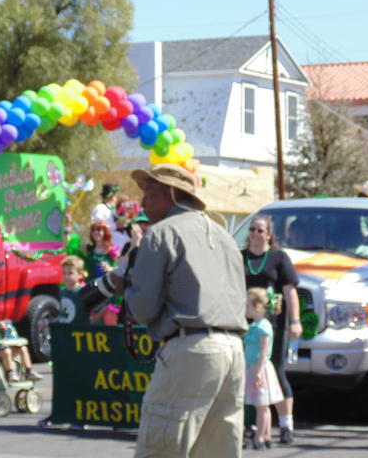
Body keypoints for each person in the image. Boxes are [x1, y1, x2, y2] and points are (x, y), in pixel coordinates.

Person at [115, 163, 248, 457]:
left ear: (173, 194)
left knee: (161, 447)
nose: (143, 201)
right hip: (234, 350)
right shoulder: (224, 236)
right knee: (218, 449)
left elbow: (144, 309)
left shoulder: (161, 233)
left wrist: (125, 286)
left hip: (192, 348)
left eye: (150, 192)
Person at [242, 214, 302, 445]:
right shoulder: (241, 257)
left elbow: (290, 291)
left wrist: (295, 320)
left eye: (260, 230)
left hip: (271, 325)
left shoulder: (278, 257)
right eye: (252, 230)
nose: (256, 234)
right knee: (248, 371)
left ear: (269, 234)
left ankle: (286, 425)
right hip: (246, 325)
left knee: (275, 370)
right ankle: (254, 424)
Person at [244, 288, 284, 449]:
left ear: (258, 306)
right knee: (261, 405)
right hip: (253, 367)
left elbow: (264, 351)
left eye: (247, 305)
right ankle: (265, 435)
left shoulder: (263, 327)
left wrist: (258, 372)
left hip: (259, 368)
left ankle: (260, 437)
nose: (245, 308)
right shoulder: (255, 325)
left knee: (262, 406)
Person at [0, 295, 42, 381]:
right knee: (7, 351)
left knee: (22, 348)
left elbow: (3, 339)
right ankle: (10, 373)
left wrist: (4, 330)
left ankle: (28, 371)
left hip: (2, 347)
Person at [58, 256, 88, 324]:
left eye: (70, 273)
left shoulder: (84, 292)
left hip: (79, 331)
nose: (66, 276)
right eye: (64, 273)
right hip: (63, 331)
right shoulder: (60, 293)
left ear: (80, 274)